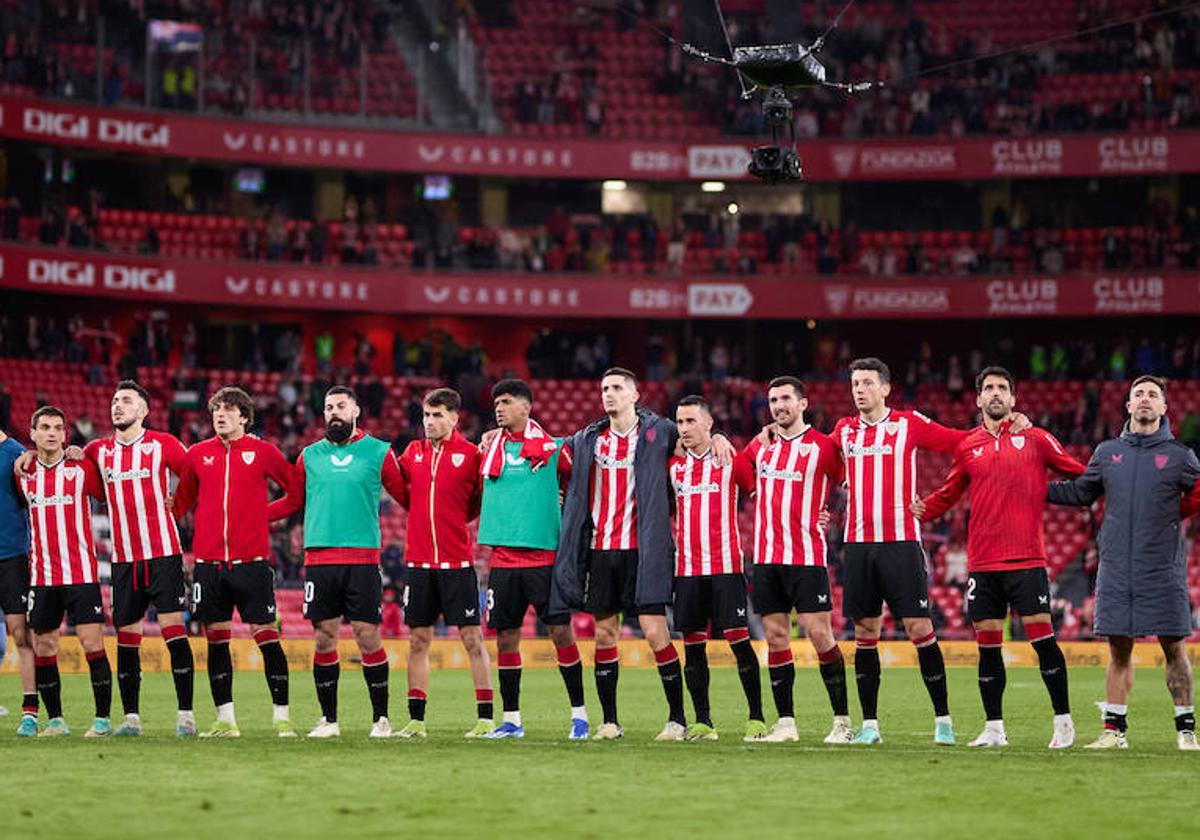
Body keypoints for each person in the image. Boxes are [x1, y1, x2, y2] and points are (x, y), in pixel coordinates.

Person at [832, 357, 1031, 746]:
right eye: (855, 383)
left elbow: (962, 440)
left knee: (919, 628)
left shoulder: (908, 424)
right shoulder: (844, 430)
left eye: (868, 382)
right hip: (857, 546)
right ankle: (869, 725)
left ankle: (944, 721)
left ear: (886, 388)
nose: (859, 389)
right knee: (865, 632)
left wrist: (1007, 425)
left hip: (901, 543)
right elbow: (816, 457)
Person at [549, 367, 734, 741]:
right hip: (600, 550)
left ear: (635, 395)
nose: (609, 394)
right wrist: (497, 435)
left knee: (655, 632)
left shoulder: (661, 431)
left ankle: (677, 720)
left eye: (617, 388)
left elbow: (692, 440)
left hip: (644, 550)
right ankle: (610, 722)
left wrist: (720, 438)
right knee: (604, 634)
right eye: (604, 388)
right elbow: (544, 446)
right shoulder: (588, 439)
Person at [912, 366, 1086, 749]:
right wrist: (917, 509)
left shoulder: (1037, 438)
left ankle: (1063, 722)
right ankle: (994, 728)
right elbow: (949, 491)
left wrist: (1108, 482)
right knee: (987, 648)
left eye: (1002, 388)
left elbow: (1080, 473)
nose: (994, 393)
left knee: (1043, 642)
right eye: (988, 388)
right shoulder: (968, 445)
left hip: (1027, 559)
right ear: (977, 399)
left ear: (1013, 398)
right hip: (983, 563)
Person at [1047, 375, 1200, 750]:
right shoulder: (1107, 452)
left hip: (1162, 568)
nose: (1145, 399)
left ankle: (1186, 730)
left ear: (1164, 407)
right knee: (1118, 651)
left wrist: (1176, 512)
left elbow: (1197, 495)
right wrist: (1032, 487)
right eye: (1138, 394)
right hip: (1116, 567)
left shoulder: (1182, 457)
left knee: (1174, 650)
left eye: (1152, 395)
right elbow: (1081, 493)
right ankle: (1114, 731)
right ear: (1128, 406)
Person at [267, 386, 408, 738]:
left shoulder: (380, 452)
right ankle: (329, 720)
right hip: (319, 558)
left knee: (367, 636)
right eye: (329, 407)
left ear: (356, 410)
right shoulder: (309, 456)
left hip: (362, 558)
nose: (334, 412)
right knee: (324, 638)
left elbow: (409, 498)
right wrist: (252, 514)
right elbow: (291, 501)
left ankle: (381, 719)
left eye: (341, 406)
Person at [173, 386, 295, 738]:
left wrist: (262, 515)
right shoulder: (197, 455)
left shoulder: (263, 452)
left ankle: (282, 718)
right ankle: (225, 720)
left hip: (252, 564)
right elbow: (180, 505)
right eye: (216, 410)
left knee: (267, 638)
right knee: (215, 641)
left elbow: (296, 491)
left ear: (244, 416)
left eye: (228, 410)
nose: (220, 416)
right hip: (209, 566)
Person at [477, 379, 588, 739]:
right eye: (496, 403)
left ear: (526, 408)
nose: (499, 408)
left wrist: (566, 506)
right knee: (506, 638)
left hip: (544, 558)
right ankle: (511, 721)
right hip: (503, 563)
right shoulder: (489, 450)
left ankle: (580, 717)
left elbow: (583, 481)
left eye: (506, 402)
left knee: (560, 633)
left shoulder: (554, 450)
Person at [83, 381, 195, 736]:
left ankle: (186, 717)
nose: (118, 406)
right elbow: (77, 471)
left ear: (144, 411)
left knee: (173, 633)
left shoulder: (163, 444)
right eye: (115, 400)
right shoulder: (97, 451)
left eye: (127, 401)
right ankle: (131, 719)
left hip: (163, 554)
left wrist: (178, 504)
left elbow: (194, 474)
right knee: (127, 640)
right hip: (124, 560)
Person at [743, 377, 850, 744]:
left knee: (820, 634)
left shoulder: (824, 447)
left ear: (803, 403)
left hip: (807, 556)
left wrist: (833, 517)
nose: (778, 405)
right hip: (767, 559)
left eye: (786, 398)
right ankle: (786, 723)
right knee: (775, 638)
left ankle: (842, 722)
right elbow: (739, 471)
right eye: (773, 400)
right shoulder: (763, 446)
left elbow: (853, 483)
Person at [394, 388, 493, 739]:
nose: (430, 422)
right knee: (418, 640)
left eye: (437, 415)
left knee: (472, 639)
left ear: (454, 418)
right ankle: (416, 720)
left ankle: (485, 717)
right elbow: (397, 485)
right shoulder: (412, 452)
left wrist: (454, 521)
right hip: (418, 564)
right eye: (426, 415)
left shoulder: (470, 456)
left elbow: (479, 501)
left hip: (457, 564)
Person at [670, 395, 764, 741]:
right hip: (688, 571)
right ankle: (703, 722)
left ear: (709, 423)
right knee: (693, 648)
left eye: (691, 421)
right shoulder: (673, 465)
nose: (684, 429)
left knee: (739, 643)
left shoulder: (729, 459)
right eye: (679, 422)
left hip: (725, 567)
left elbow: (762, 495)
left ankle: (756, 718)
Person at [17, 407, 112, 737]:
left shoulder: (79, 467)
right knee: (44, 646)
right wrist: (25, 456)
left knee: (91, 643)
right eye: (45, 427)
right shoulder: (24, 473)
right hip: (42, 578)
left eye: (58, 427)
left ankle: (102, 720)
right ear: (33, 433)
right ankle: (55, 720)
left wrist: (84, 455)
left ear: (65, 434)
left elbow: (106, 495)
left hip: (82, 574)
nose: (52, 433)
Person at [1, 426, 39, 735]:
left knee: (21, 633)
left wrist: (34, 455)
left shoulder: (15, 453)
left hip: (11, 558)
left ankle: (30, 710)